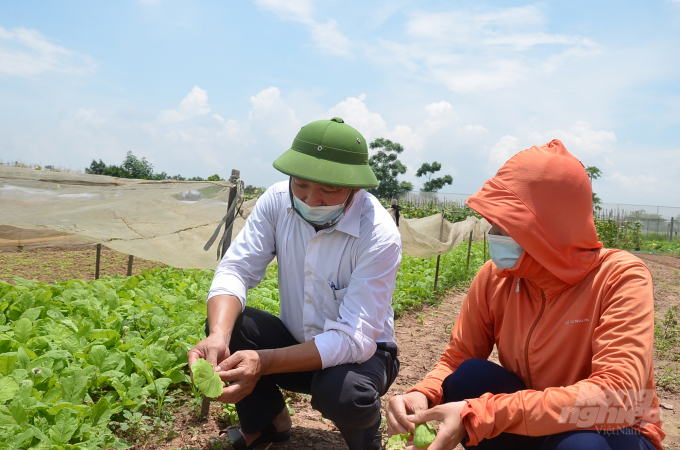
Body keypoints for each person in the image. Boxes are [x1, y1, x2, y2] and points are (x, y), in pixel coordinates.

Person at [386, 139, 664, 450]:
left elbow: (617, 396)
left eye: (507, 224)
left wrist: (484, 414)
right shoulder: (496, 278)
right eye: (493, 222)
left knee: (580, 446)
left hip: (614, 429)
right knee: (469, 378)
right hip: (534, 419)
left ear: (549, 226)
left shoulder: (618, 276)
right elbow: (457, 358)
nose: (493, 234)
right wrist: (422, 393)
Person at [188, 117, 401, 450]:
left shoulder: (378, 235)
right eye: (301, 184)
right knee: (233, 326)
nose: (310, 199)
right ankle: (269, 424)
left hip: (363, 356)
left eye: (328, 190)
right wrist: (218, 334)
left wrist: (267, 362)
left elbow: (354, 339)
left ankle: (366, 434)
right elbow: (236, 270)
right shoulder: (276, 201)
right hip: (297, 343)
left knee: (344, 394)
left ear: (355, 188)